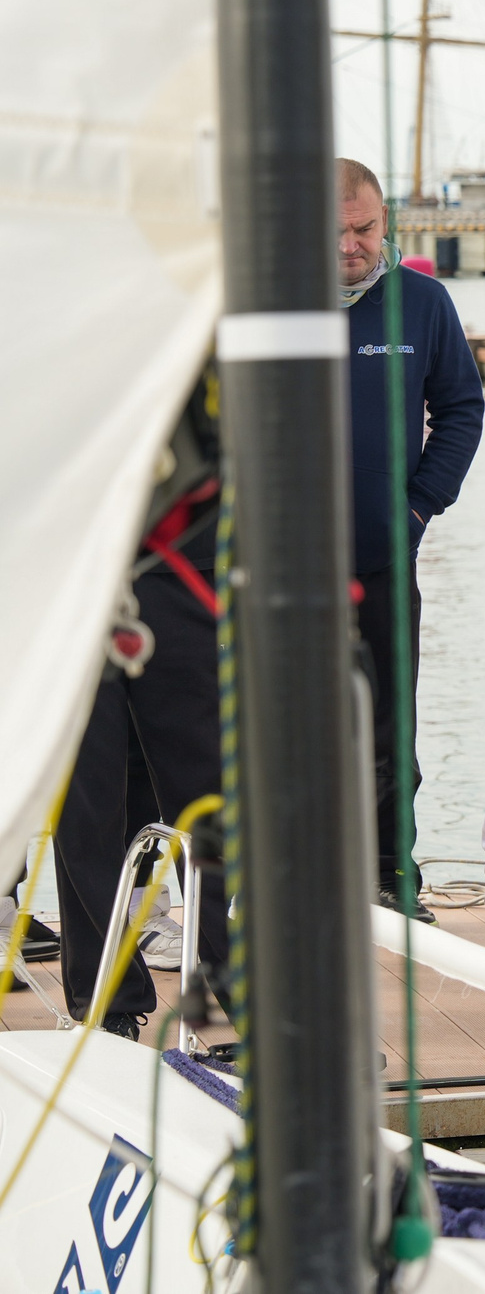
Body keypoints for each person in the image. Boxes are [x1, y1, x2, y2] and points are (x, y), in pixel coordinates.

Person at [61, 372, 227, 1038]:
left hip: (185, 567)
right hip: (70, 575)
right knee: (86, 804)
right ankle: (107, 1005)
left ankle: (225, 992)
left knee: (206, 790)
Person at [339, 158, 484, 909]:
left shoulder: (422, 303)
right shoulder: (269, 303)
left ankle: (392, 873)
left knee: (391, 728)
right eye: (333, 232)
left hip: (385, 552)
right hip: (281, 567)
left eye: (364, 229)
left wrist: (421, 505)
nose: (350, 246)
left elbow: (461, 408)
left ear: (385, 222)